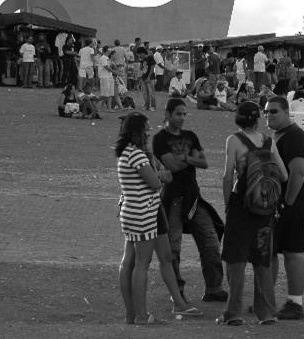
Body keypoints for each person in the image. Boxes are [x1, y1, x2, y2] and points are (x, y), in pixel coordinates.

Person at [115, 112, 202, 325]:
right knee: (140, 264)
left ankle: (146, 311)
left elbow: (163, 176)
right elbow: (156, 182)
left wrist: (159, 175)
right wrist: (159, 175)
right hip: (143, 212)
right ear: (136, 132)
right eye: (145, 128)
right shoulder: (136, 154)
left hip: (143, 210)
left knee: (161, 257)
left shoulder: (130, 153)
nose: (149, 131)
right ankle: (140, 315)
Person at [218, 102, 288, 326]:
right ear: (258, 118)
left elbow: (227, 176)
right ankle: (266, 312)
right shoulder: (269, 142)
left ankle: (233, 313)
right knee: (262, 260)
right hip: (265, 208)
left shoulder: (234, 141)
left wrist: (228, 203)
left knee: (235, 260)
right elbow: (284, 175)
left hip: (242, 206)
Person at [152, 99, 227, 303]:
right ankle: (177, 291)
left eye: (185, 114)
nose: (182, 118)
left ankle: (214, 287)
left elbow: (204, 163)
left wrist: (185, 159)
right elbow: (172, 167)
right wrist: (189, 158)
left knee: (210, 241)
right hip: (173, 198)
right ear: (167, 114)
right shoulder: (159, 139)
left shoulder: (191, 136)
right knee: (173, 247)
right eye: (178, 114)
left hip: (193, 197)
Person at [263, 96, 304, 320]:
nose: (268, 115)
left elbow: (299, 171)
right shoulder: (279, 135)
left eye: (274, 112)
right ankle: (266, 298)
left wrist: (288, 202)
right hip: (285, 200)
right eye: (266, 112)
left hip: (297, 199)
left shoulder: (295, 136)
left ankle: (295, 303)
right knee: (272, 250)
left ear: (287, 113)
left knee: (292, 251)